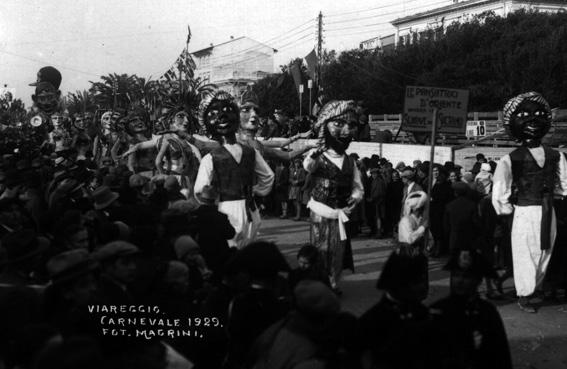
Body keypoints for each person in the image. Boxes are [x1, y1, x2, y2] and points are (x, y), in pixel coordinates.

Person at [492, 92, 567, 313]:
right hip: (524, 211)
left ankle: (537, 286)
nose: (533, 120)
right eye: (523, 115)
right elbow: (500, 189)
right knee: (525, 252)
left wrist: (558, 199)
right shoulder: (509, 159)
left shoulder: (557, 156)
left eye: (539, 114)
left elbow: (563, 183)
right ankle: (524, 294)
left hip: (548, 210)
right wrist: (505, 209)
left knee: (546, 250)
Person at [194, 90, 274, 249]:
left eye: (228, 110)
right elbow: (268, 177)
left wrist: (253, 191)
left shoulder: (248, 152)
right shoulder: (212, 157)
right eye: (214, 113)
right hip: (240, 209)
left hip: (237, 209)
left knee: (238, 249)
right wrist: (255, 191)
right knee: (239, 249)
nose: (222, 117)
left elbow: (200, 190)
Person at [303, 100, 364, 293]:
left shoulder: (350, 161)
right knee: (321, 249)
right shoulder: (318, 155)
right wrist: (314, 155)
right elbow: (308, 167)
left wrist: (355, 197)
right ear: (325, 125)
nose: (346, 131)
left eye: (351, 125)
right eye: (338, 124)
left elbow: (358, 186)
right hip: (321, 212)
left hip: (341, 213)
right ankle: (320, 281)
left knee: (339, 250)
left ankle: (334, 282)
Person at [430, 250, 512, 369]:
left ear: (478, 281)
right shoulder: (437, 311)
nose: (460, 281)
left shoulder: (487, 313)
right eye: (456, 275)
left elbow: (501, 356)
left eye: (466, 277)